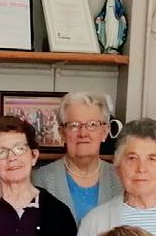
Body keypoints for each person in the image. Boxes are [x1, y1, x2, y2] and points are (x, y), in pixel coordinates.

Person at [32, 91, 122, 222]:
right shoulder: (41, 180)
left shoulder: (121, 178)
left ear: (105, 132)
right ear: (62, 133)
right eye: (74, 125)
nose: (83, 133)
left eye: (92, 124)